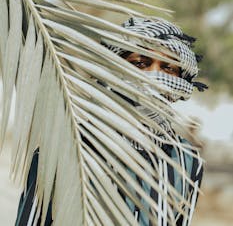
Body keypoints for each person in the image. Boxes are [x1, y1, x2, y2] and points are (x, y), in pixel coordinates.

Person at [15, 17, 208, 226]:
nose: (155, 75)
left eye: (168, 68)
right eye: (140, 63)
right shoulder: (66, 146)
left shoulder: (187, 160)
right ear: (116, 71)